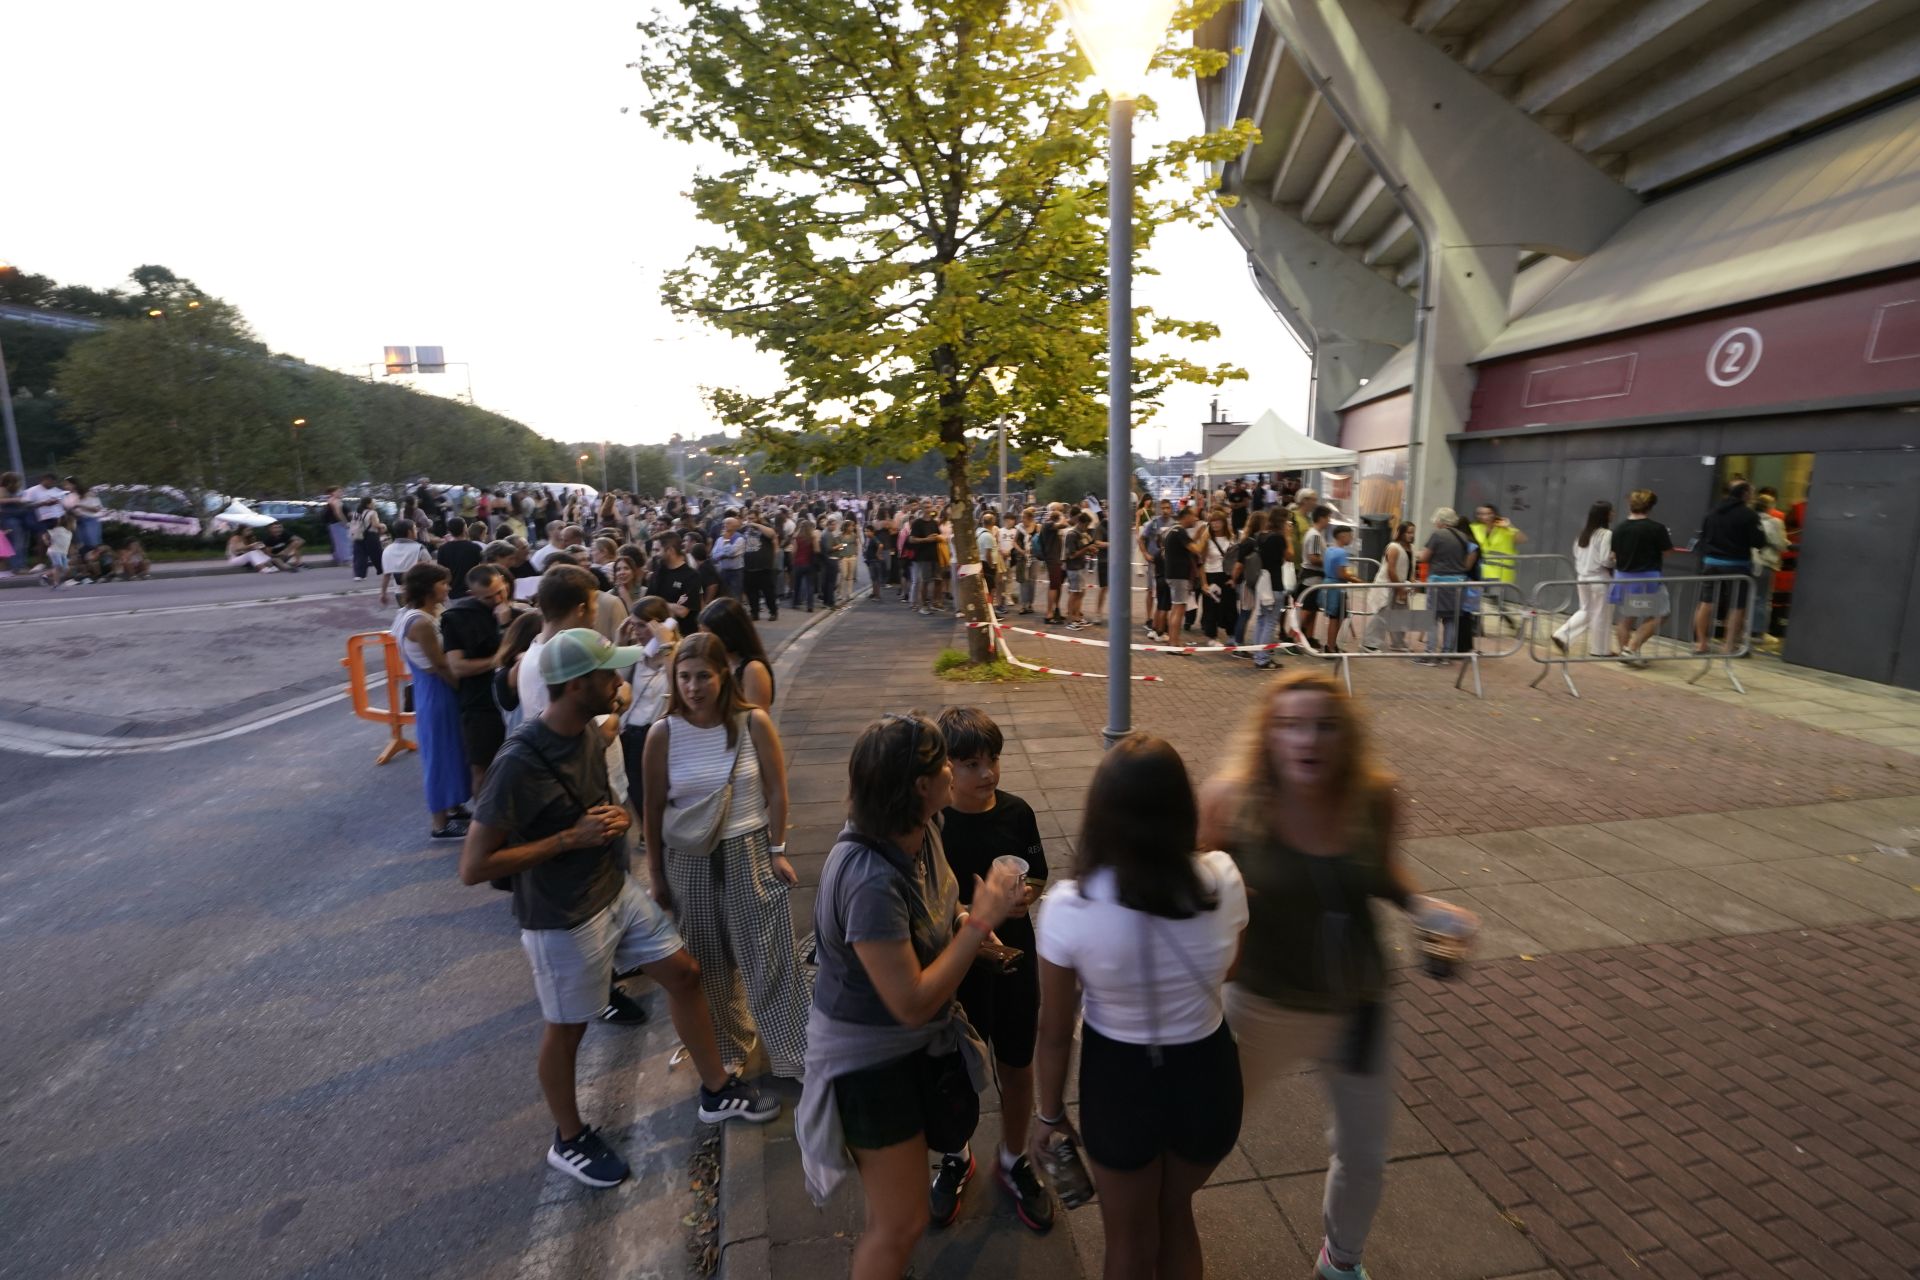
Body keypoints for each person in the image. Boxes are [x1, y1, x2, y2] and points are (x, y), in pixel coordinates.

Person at [461, 628, 779, 1190]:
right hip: (562, 916)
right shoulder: (519, 761)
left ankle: (715, 1090)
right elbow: (475, 866)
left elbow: (608, 797)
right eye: (611, 674)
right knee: (567, 1030)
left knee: (685, 975)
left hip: (614, 891)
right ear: (579, 684)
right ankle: (569, 1138)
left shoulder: (588, 728)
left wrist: (612, 820)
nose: (623, 682)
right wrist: (568, 840)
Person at [1197, 670, 1467, 1280]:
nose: (1307, 741)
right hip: (1260, 1004)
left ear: (1346, 737)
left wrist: (1428, 910)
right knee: (1202, 1133)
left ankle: (1340, 1262)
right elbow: (1193, 884)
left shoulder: (1376, 797)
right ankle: (1160, 1227)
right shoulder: (1231, 800)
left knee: (1365, 1155)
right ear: (1268, 736)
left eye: (1323, 726)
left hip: (1357, 1005)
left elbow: (1385, 874)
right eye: (1290, 726)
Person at [795, 713, 1025, 1277]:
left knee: (902, 1216)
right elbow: (912, 1002)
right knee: (899, 1224)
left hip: (913, 1050)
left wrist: (968, 923)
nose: (955, 770)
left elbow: (937, 910)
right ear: (921, 786)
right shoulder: (870, 878)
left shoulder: (924, 830)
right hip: (870, 1066)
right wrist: (979, 926)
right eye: (944, 761)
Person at [1035, 734, 1248, 1280]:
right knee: (1175, 1213)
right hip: (1207, 1075)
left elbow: (1055, 1031)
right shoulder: (1223, 879)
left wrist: (1050, 1114)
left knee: (1127, 1241)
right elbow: (1230, 967)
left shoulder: (1069, 907)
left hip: (1121, 1081)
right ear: (1183, 807)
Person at [641, 633, 808, 1080]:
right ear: (675, 680)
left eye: (703, 676)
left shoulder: (752, 722)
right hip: (688, 861)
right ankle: (731, 1045)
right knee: (707, 962)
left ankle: (793, 1050)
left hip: (749, 850)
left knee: (768, 957)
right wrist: (656, 875)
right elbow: (653, 808)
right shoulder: (663, 733)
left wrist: (777, 850)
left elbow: (776, 790)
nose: (694, 687)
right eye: (684, 677)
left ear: (722, 676)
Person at [935, 707, 1054, 1233]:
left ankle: (1013, 1157)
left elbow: (1040, 872)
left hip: (1015, 959)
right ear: (946, 769)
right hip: (959, 963)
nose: (987, 773)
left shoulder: (1018, 812)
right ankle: (956, 1155)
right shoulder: (934, 823)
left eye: (993, 760)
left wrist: (1029, 895)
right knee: (956, 1061)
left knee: (1017, 1058)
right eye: (971, 763)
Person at [390, 562, 471, 839]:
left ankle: (454, 806)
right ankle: (440, 823)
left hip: (430, 687)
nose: (448, 588)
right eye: (443, 583)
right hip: (437, 689)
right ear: (427, 586)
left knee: (450, 750)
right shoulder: (420, 622)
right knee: (440, 753)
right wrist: (462, 690)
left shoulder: (412, 613)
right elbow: (441, 665)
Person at [440, 564, 523, 796]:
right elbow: (457, 667)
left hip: (513, 702)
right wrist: (498, 660)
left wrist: (506, 624)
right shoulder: (457, 618)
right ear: (472, 595)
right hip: (480, 704)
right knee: (483, 769)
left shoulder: (519, 615)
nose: (498, 600)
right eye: (489, 597)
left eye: (501, 591)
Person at [1694, 480, 1766, 655]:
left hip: (1711, 563)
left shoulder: (1713, 512)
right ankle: (1728, 646)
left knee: (1706, 603)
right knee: (1737, 605)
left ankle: (1701, 643)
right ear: (1745, 494)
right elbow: (1758, 541)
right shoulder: (1749, 515)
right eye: (1752, 492)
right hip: (1737, 565)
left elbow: (1703, 537)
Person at [1610, 490, 1674, 667]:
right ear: (1650, 507)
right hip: (1647, 580)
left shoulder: (1619, 528)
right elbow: (1667, 552)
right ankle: (1631, 649)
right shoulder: (1657, 528)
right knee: (1661, 613)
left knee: (1627, 617)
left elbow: (1614, 555)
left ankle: (1626, 652)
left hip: (1623, 578)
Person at [1552, 501, 1614, 657]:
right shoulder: (1606, 534)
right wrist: (1615, 559)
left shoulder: (1583, 534)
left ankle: (1562, 634)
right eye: (1611, 511)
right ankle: (1600, 650)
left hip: (1582, 577)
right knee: (1601, 614)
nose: (1613, 514)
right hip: (1600, 578)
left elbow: (1576, 554)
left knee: (1585, 610)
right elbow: (1606, 560)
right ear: (1606, 514)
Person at [1416, 507, 1477, 664]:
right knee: (1450, 619)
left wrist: (1418, 554)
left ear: (1440, 521)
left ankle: (1430, 653)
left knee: (1432, 618)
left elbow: (1424, 557)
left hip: (1439, 581)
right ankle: (1446, 654)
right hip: (1458, 582)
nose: (1435, 524)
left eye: (1436, 521)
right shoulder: (1463, 537)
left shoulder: (1438, 535)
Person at [698, 596, 777, 711]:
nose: (704, 643)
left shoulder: (754, 670)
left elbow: (756, 721)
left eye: (709, 637)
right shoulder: (722, 662)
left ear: (728, 635)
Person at [1363, 522, 1415, 653]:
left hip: (1400, 585)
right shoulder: (1393, 547)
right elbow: (1391, 570)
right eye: (1408, 532)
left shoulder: (1411, 548)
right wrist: (1399, 588)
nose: (1411, 535)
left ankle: (1398, 642)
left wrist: (1410, 583)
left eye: (1413, 532)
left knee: (1401, 614)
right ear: (1401, 533)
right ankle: (1369, 643)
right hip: (1388, 586)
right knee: (1383, 614)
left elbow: (1409, 568)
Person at [1751, 487, 1787, 648]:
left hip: (1749, 562)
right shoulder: (1775, 522)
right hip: (1765, 563)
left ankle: (1746, 630)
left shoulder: (1749, 519)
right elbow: (1781, 544)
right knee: (1763, 599)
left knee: (1749, 596)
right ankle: (1758, 632)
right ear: (1769, 507)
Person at [1160, 506, 1199, 650]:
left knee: (1176, 607)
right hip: (1179, 575)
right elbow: (1196, 549)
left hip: (1172, 573)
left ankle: (1173, 640)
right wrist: (1204, 535)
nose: (1195, 519)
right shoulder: (1180, 531)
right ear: (1186, 515)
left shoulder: (1172, 529)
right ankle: (1175, 643)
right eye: (1193, 516)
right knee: (1179, 608)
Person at [1199, 510, 1238, 644]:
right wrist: (1203, 583)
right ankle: (1212, 637)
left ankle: (1232, 634)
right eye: (1213, 521)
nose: (1215, 524)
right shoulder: (1207, 540)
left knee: (1230, 607)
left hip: (1227, 576)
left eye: (1218, 521)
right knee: (1212, 608)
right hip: (1212, 576)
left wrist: (1234, 578)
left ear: (1224, 523)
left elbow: (1235, 560)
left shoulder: (1231, 538)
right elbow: (1201, 562)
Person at [1296, 506, 1332, 648]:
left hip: (1313, 577)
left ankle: (1309, 637)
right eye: (1328, 518)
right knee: (1307, 610)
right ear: (1322, 518)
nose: (1329, 521)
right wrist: (1329, 562)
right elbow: (1313, 558)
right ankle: (1293, 638)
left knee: (1312, 610)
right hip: (1312, 578)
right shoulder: (1316, 536)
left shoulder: (1315, 534)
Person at [1320, 524, 1358, 653]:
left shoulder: (1330, 549)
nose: (1352, 538)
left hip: (1329, 584)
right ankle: (1330, 647)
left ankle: (1331, 645)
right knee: (1335, 618)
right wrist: (1357, 581)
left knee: (1336, 617)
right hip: (1337, 587)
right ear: (1342, 536)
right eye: (1350, 535)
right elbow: (1342, 573)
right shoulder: (1341, 552)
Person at [380, 519, 431, 606]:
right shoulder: (419, 548)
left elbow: (386, 575)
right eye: (415, 529)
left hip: (400, 592)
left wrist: (383, 593)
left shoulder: (387, 550)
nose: (417, 531)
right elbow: (429, 570)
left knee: (406, 616)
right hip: (419, 590)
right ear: (409, 532)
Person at [435, 516, 484, 598]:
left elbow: (441, 571)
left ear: (449, 531)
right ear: (465, 529)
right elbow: (483, 567)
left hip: (452, 593)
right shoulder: (475, 547)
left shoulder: (443, 549)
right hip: (472, 591)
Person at [351, 500, 386, 583]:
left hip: (358, 535)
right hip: (370, 535)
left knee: (360, 556)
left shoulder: (356, 513)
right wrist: (383, 525)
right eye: (373, 503)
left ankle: (359, 575)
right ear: (368, 504)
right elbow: (375, 524)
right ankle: (382, 570)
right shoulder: (372, 513)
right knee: (377, 554)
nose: (374, 504)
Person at [324, 486, 353, 566]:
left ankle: (340, 559)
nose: (341, 493)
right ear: (333, 493)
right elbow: (338, 513)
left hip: (334, 524)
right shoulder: (336, 501)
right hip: (338, 524)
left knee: (338, 542)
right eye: (339, 491)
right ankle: (347, 559)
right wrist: (345, 523)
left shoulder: (331, 500)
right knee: (344, 541)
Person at [45, 514, 75, 588]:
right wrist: (47, 541)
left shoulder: (70, 533)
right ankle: (56, 583)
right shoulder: (59, 529)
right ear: (68, 523)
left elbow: (67, 544)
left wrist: (71, 553)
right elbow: (46, 535)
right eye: (74, 523)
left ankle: (45, 576)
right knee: (58, 566)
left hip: (63, 553)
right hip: (54, 551)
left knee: (65, 568)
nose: (75, 525)